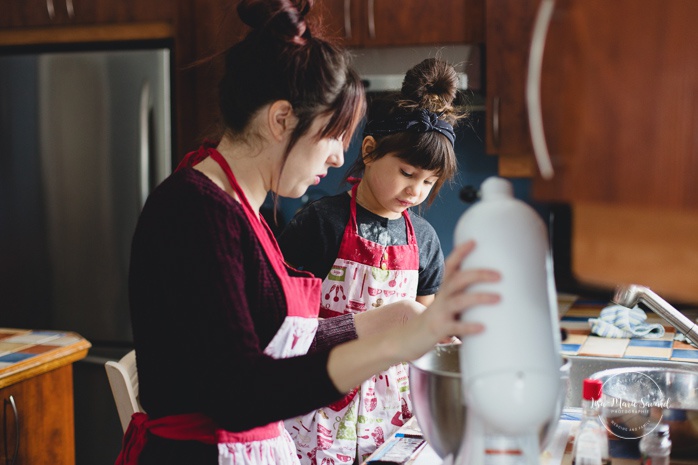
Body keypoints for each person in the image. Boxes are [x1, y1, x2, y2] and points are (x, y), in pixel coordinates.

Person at [116, 1, 501, 465]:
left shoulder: (243, 208)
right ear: (281, 120)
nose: (340, 157)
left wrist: (387, 320)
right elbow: (240, 393)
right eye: (333, 134)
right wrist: (388, 346)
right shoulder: (194, 213)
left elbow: (275, 341)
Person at [277, 57, 466, 464]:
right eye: (407, 172)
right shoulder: (319, 224)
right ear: (369, 151)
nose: (416, 191)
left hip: (391, 409)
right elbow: (286, 330)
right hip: (320, 404)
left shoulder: (426, 240)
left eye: (429, 182)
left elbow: (422, 331)